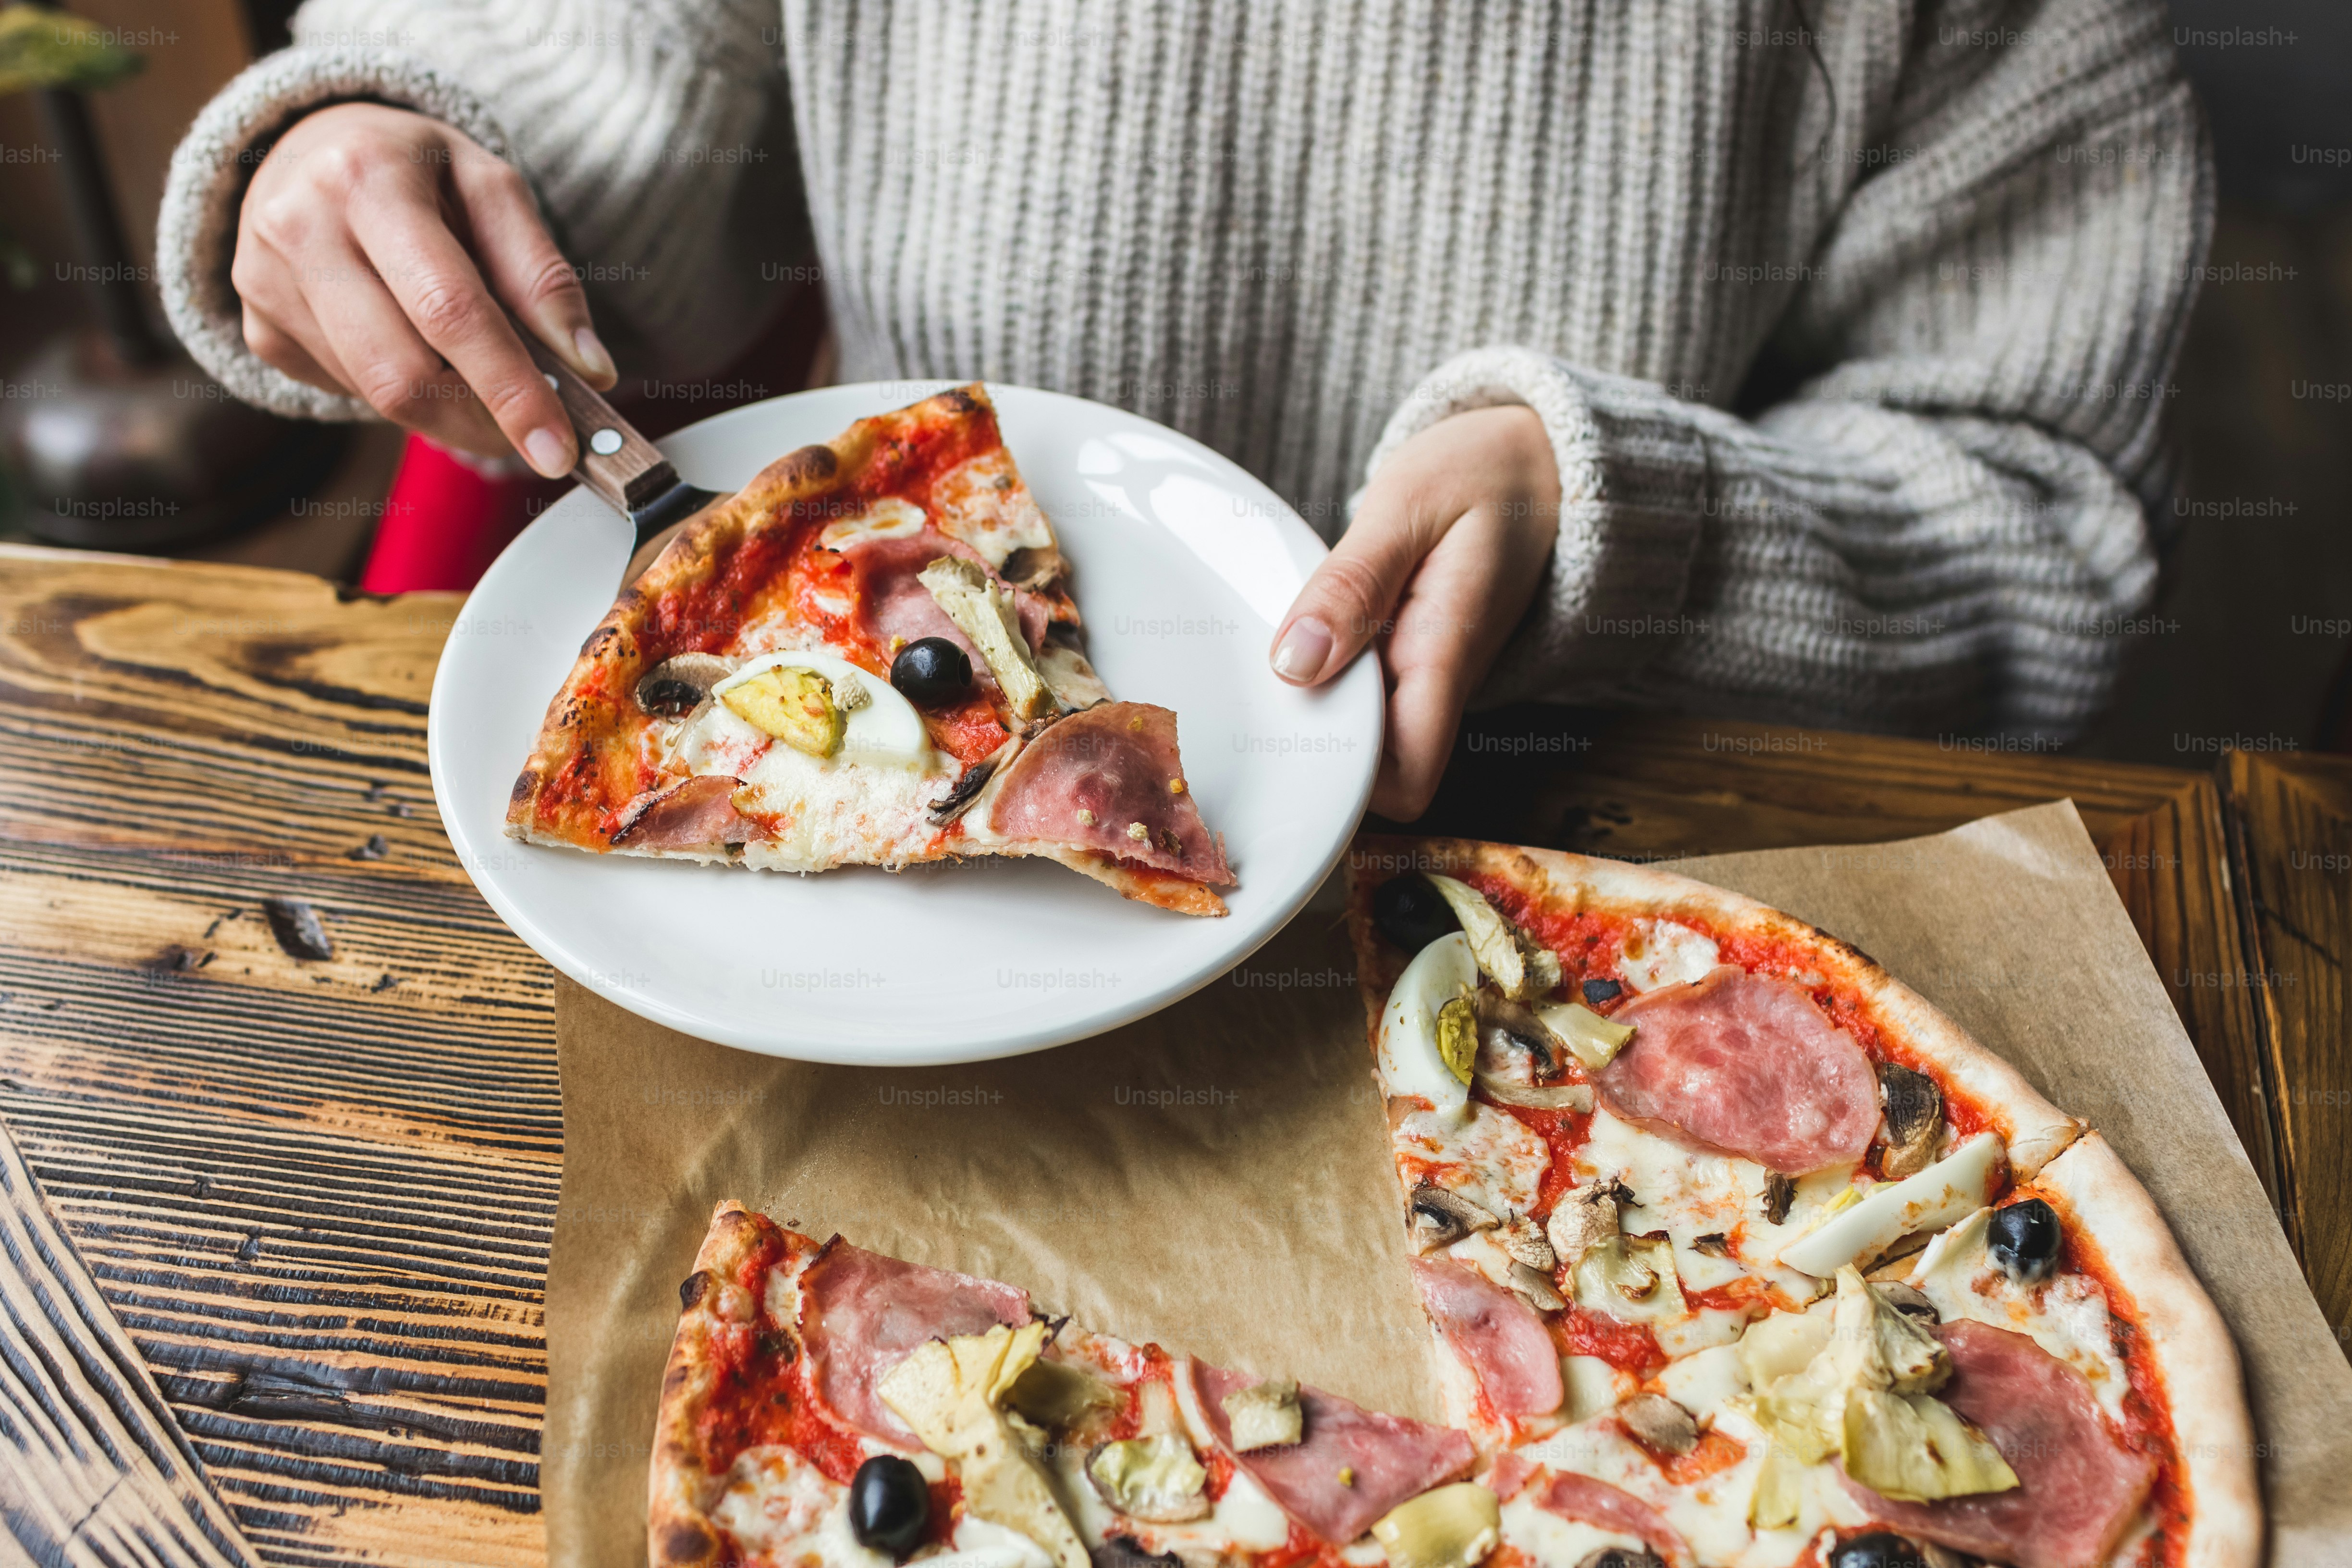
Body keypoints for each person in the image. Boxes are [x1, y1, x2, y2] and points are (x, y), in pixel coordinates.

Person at [158, 1, 2211, 820]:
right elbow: (569, 138)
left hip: (1584, 851)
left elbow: (2046, 512)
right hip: (886, 831)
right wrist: (356, 145)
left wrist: (1618, 521)